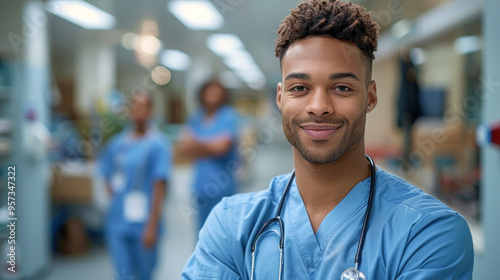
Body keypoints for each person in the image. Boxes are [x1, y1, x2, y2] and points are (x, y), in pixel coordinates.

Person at [182, 1, 474, 279]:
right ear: (280, 97)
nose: (319, 106)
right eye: (300, 87)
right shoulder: (230, 225)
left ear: (369, 97)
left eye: (342, 87)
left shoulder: (428, 232)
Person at [99, 89, 172, 280]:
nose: (138, 111)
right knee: (122, 274)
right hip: (118, 221)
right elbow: (106, 173)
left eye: (143, 106)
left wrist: (152, 227)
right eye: (134, 106)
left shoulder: (159, 144)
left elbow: (159, 186)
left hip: (145, 222)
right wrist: (115, 201)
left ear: (150, 111)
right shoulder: (117, 143)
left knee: (144, 274)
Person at [178, 79, 240, 232]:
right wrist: (210, 145)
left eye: (217, 93)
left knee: (221, 234)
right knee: (202, 233)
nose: (213, 96)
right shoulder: (196, 117)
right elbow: (184, 147)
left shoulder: (228, 116)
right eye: (209, 92)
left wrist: (197, 145)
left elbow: (222, 147)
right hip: (200, 186)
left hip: (222, 186)